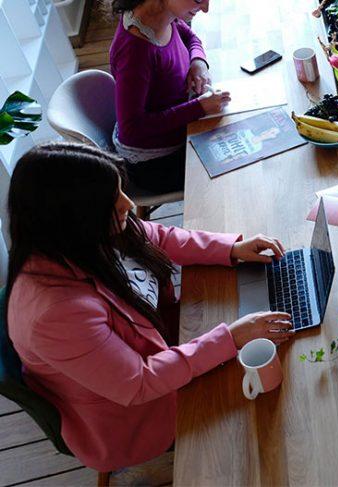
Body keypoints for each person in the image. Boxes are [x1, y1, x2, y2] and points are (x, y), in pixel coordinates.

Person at [4, 143, 292, 473]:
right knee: (272, 425)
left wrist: (231, 249)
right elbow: (138, 382)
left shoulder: (80, 235)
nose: (129, 204)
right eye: (113, 200)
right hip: (134, 416)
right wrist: (231, 338)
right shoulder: (54, 314)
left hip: (168, 343)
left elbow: (157, 236)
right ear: (74, 216)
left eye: (120, 191)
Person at [108, 0, 231, 194]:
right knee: (229, 174)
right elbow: (132, 128)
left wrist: (198, 61)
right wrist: (199, 108)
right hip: (154, 163)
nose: (206, 8)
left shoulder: (162, 14)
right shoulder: (135, 50)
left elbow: (191, 38)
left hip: (178, 128)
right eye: (199, 0)